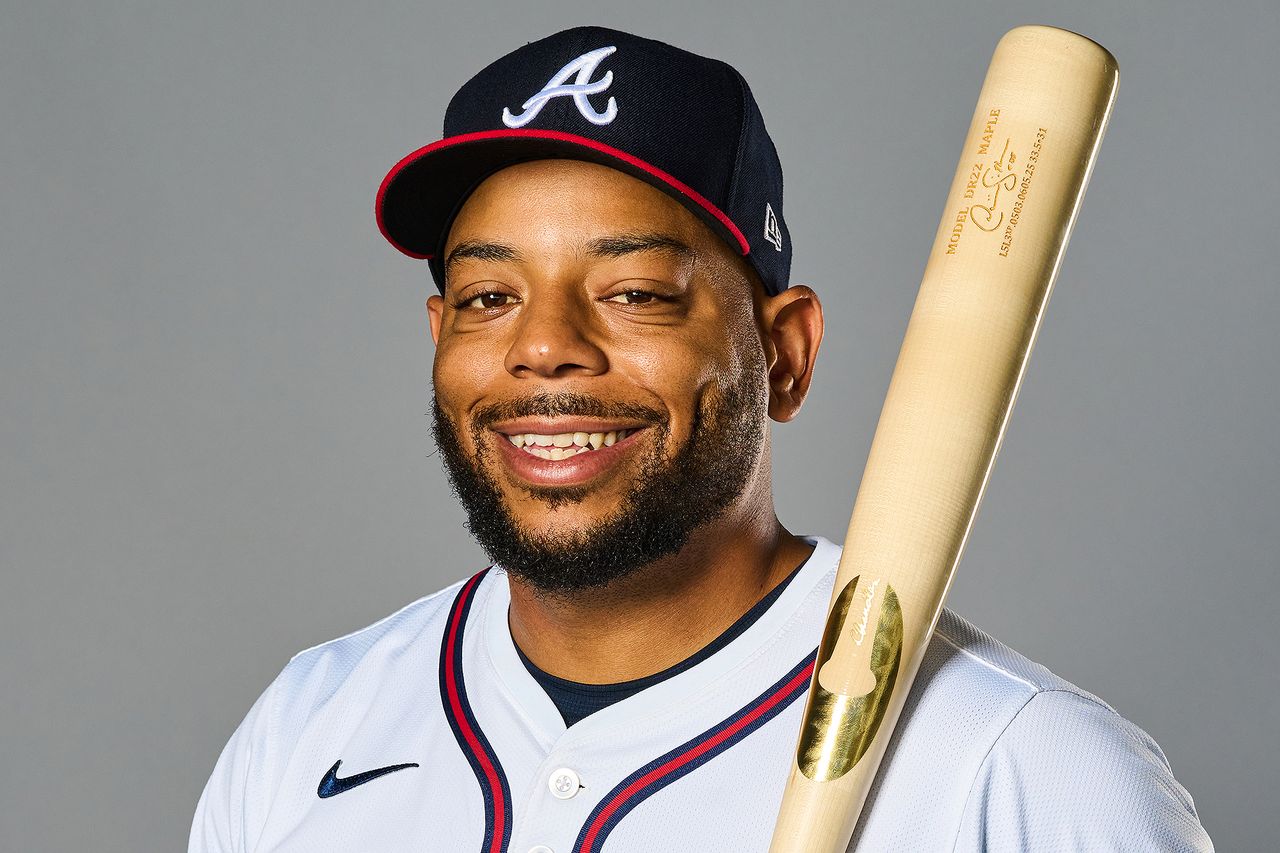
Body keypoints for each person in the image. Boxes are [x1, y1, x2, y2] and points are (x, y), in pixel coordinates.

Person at [190, 26, 1212, 852]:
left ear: (785, 353)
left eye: (632, 293)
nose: (542, 348)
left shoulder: (1019, 767)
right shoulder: (307, 725)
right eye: (488, 296)